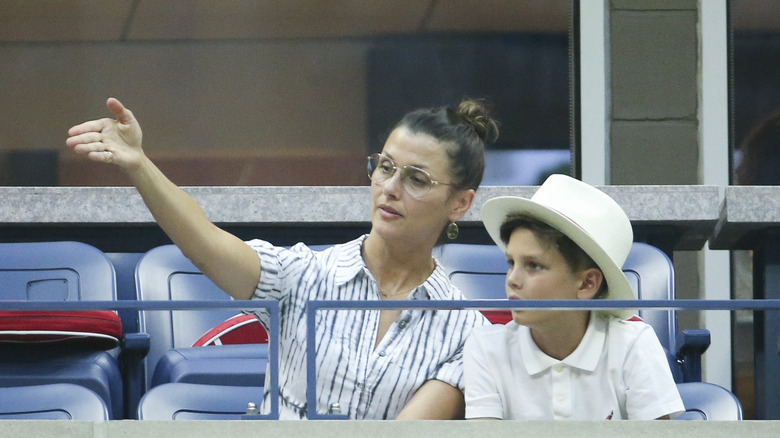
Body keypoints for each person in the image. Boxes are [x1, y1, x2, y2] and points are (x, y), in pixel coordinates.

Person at [66, 97, 499, 420]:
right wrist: (139, 164)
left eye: (417, 179)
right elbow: (203, 242)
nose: (390, 187)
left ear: (460, 204)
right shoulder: (304, 273)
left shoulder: (466, 330)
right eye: (385, 167)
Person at [464, 174, 684, 420]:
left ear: (588, 283)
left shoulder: (634, 344)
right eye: (511, 262)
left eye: (534, 266)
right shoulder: (485, 347)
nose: (512, 279)